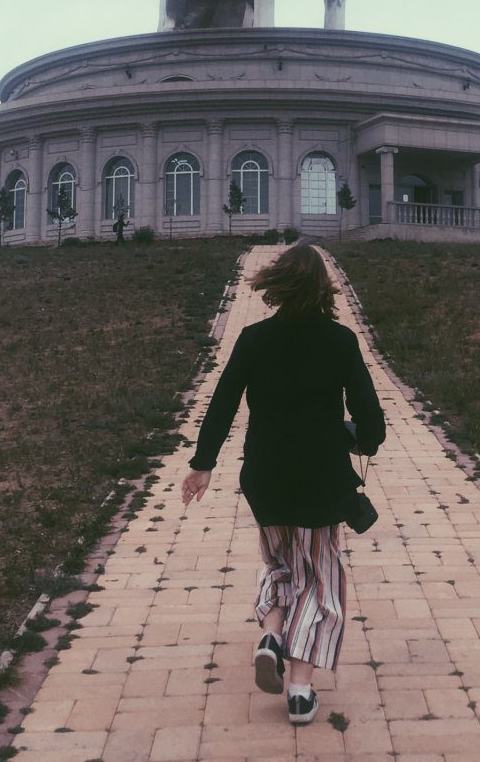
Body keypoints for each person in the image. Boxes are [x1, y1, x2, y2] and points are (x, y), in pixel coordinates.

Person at [181, 242, 385, 725]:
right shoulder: (339, 342)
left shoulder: (253, 339)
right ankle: (299, 689)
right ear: (322, 289)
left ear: (277, 286)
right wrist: (359, 441)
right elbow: (371, 422)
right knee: (320, 580)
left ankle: (272, 631)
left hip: (265, 478)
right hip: (320, 479)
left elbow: (223, 403)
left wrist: (202, 463)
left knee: (278, 561)